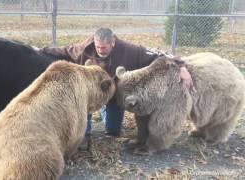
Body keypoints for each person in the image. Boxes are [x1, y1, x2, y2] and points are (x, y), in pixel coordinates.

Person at [41, 27, 192, 150]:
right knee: (82, 121)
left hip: (113, 95)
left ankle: (106, 111)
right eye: (98, 47)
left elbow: (161, 54)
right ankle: (83, 134)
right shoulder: (84, 49)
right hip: (89, 96)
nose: (100, 50)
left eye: (104, 48)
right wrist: (38, 50)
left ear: (113, 43)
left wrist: (181, 66)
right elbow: (63, 50)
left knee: (113, 132)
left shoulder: (130, 50)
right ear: (94, 42)